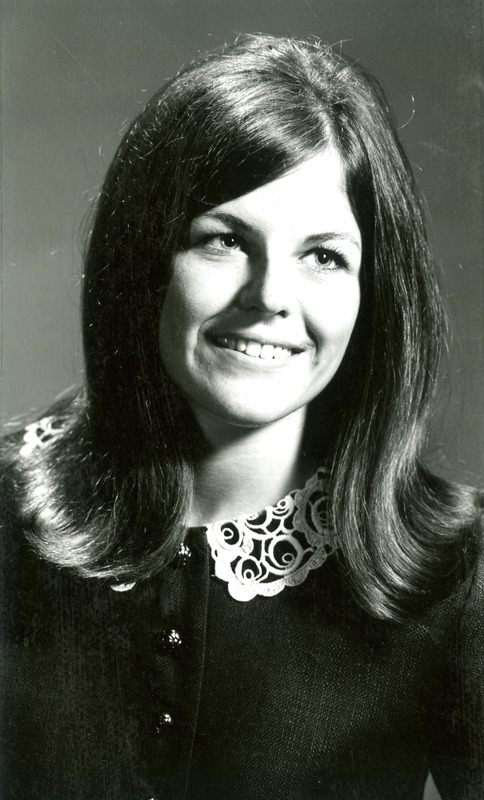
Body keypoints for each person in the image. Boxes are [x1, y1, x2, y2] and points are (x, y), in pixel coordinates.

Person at [0, 33, 482, 800]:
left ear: (374, 294)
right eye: (224, 241)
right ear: (146, 260)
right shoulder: (7, 514)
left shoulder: (460, 573)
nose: (270, 298)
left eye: (323, 256)